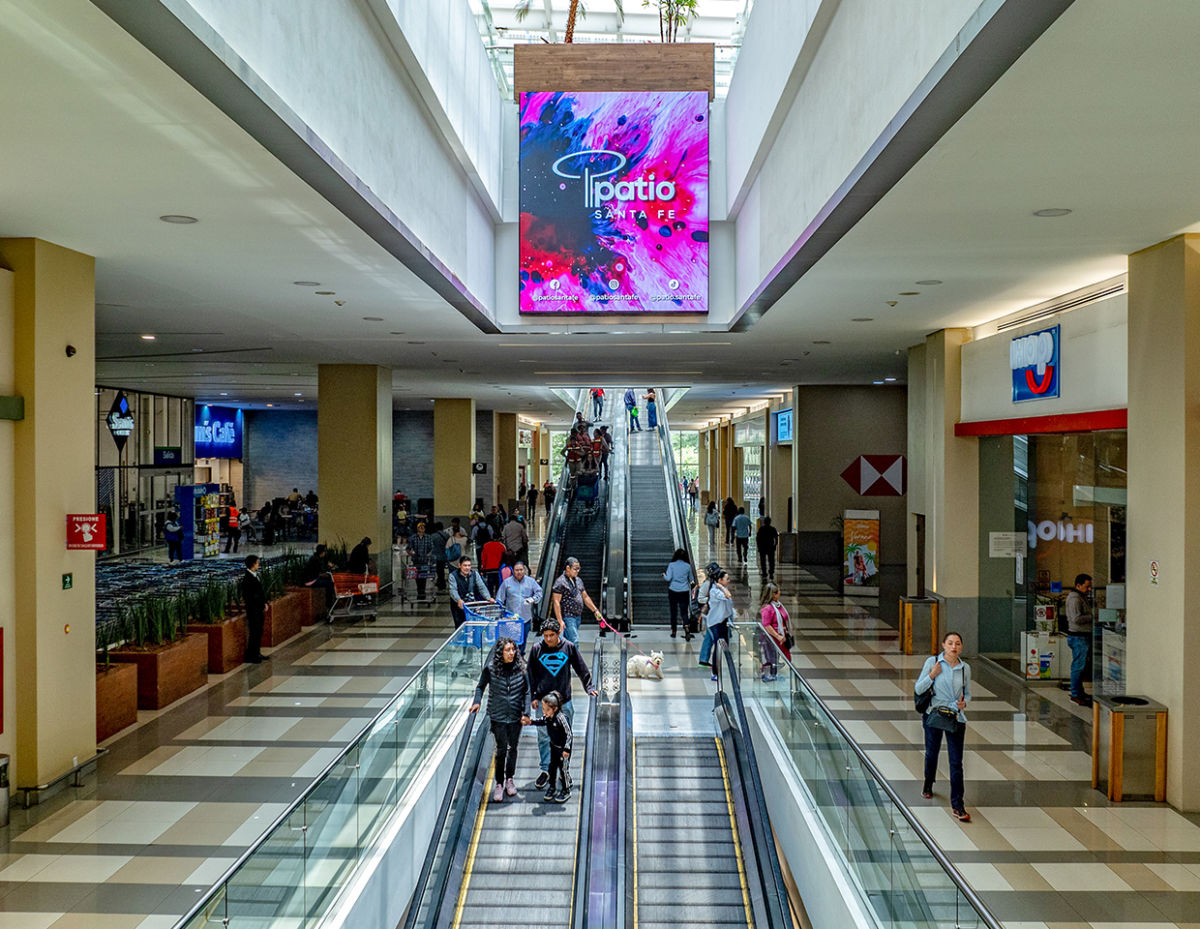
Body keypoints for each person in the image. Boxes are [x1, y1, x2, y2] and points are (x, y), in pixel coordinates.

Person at [527, 617, 597, 790]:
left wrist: (589, 687)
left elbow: (581, 668)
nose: (548, 639)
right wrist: (533, 697)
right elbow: (531, 675)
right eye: (545, 635)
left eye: (552, 635)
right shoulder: (536, 649)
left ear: (559, 633)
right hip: (544, 702)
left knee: (565, 738)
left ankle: (563, 770)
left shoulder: (568, 647)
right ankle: (545, 770)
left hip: (564, 701)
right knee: (544, 737)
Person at [915, 632, 973, 823]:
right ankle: (928, 783)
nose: (953, 647)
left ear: (961, 647)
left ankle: (958, 804)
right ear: (943, 645)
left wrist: (965, 703)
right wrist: (932, 675)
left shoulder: (965, 668)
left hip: (955, 716)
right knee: (932, 753)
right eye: (950, 643)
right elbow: (919, 689)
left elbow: (968, 693)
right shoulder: (933, 662)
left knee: (956, 762)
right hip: (934, 714)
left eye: (957, 643)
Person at [470, 636, 530, 803]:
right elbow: (481, 686)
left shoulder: (521, 668)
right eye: (507, 650)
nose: (511, 653)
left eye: (513, 650)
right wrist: (477, 702)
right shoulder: (491, 669)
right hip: (498, 716)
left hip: (515, 716)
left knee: (513, 748)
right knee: (501, 749)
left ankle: (510, 778)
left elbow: (527, 691)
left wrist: (526, 713)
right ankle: (499, 783)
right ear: (500, 653)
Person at [526, 691, 572, 802]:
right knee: (552, 768)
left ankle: (566, 790)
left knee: (563, 770)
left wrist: (566, 748)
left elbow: (569, 734)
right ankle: (552, 787)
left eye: (547, 710)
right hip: (554, 747)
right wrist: (531, 722)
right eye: (543, 709)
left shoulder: (561, 719)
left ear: (555, 708)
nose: (544, 712)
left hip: (562, 749)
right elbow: (541, 721)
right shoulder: (548, 718)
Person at [552, 556, 604, 644]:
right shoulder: (560, 582)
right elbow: (556, 602)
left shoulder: (578, 580)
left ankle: (568, 656)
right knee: (574, 640)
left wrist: (595, 611)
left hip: (577, 616)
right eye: (575, 569)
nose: (578, 571)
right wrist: (560, 620)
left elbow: (585, 597)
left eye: (579, 568)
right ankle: (574, 658)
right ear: (568, 568)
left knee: (567, 641)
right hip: (567, 616)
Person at [496, 561, 543, 643]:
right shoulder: (507, 583)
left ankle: (521, 655)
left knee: (523, 641)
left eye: (521, 570)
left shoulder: (531, 582)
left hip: (526, 618)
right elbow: (499, 599)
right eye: (517, 570)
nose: (519, 572)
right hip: (511, 618)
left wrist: (533, 599)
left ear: (524, 570)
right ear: (513, 571)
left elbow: (539, 592)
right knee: (512, 641)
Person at [1065, 573, 1094, 707]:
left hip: (1082, 636)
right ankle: (1076, 694)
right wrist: (1092, 616)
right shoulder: (1075, 599)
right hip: (1078, 637)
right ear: (1078, 585)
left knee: (1080, 666)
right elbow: (1076, 618)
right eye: (1087, 586)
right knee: (1078, 666)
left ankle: (1079, 692)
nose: (1089, 589)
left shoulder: (1081, 597)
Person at [703, 570, 735, 681]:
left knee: (724, 645)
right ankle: (715, 672)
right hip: (715, 622)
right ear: (720, 580)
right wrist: (720, 587)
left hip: (724, 621)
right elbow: (728, 596)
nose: (729, 581)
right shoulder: (715, 591)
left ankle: (723, 667)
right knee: (718, 645)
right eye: (727, 579)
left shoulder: (722, 589)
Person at [759, 583, 791, 681]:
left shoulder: (778, 605)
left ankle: (774, 674)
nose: (780, 593)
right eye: (778, 591)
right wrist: (777, 636)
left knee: (775, 656)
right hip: (770, 639)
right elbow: (766, 625)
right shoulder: (768, 608)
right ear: (773, 594)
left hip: (778, 638)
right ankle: (770, 675)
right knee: (770, 656)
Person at [449, 555, 493, 627]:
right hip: (458, 606)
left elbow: (481, 587)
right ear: (459, 565)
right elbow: (453, 590)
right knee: (460, 626)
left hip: (471, 605)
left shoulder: (475, 574)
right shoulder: (453, 576)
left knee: (473, 626)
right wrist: (458, 600)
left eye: (469, 565)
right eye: (465, 565)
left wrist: (488, 597)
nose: (467, 568)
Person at [663, 548, 695, 639]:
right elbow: (691, 579)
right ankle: (687, 629)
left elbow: (668, 578)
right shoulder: (687, 566)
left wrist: (664, 575)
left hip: (673, 590)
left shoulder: (671, 565)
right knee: (684, 612)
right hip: (684, 591)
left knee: (673, 612)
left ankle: (674, 631)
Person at [242, 554, 266, 663]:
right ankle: (252, 655)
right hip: (253, 610)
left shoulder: (255, 576)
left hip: (258, 609)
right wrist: (261, 604)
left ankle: (257, 652)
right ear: (253, 564)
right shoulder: (248, 579)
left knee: (259, 631)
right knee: (254, 632)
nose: (258, 565)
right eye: (257, 563)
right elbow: (253, 596)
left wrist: (265, 602)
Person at [302, 543, 336, 615]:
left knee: (329, 580)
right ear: (322, 552)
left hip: (311, 579)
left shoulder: (316, 558)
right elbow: (320, 574)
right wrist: (331, 569)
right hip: (311, 581)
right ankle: (329, 605)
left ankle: (330, 604)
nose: (325, 553)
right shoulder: (316, 560)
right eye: (325, 551)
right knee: (329, 583)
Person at [406, 522, 437, 600]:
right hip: (416, 560)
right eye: (420, 527)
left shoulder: (428, 537)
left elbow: (432, 547)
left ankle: (422, 590)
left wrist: (428, 554)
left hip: (425, 560)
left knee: (423, 576)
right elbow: (408, 548)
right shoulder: (413, 538)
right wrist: (411, 553)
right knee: (417, 576)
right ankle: (419, 590)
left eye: (423, 527)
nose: (421, 529)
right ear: (417, 528)